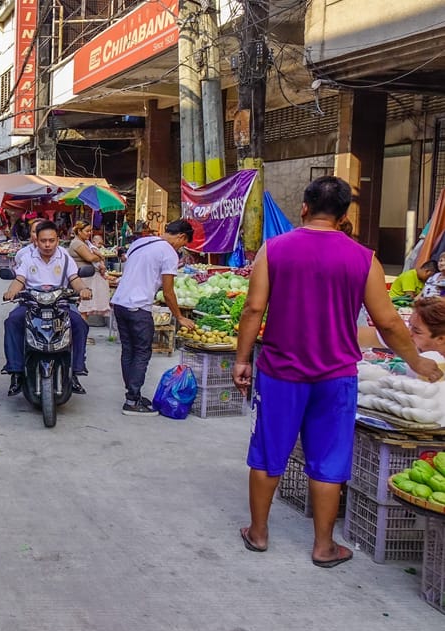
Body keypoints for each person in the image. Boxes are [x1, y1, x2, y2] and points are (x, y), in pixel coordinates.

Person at [233, 175, 443, 568]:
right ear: (345, 215)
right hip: (336, 375)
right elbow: (388, 322)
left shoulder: (273, 250)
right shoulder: (364, 258)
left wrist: (243, 359)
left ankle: (258, 534)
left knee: (267, 453)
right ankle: (324, 547)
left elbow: (252, 309)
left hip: (281, 372)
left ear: (304, 208)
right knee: (328, 459)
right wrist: (417, 361)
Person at [110, 219, 197, 416]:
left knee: (128, 350)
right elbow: (168, 292)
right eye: (183, 243)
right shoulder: (168, 253)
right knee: (141, 352)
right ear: (182, 237)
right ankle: (132, 401)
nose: (181, 247)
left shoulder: (141, 242)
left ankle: (132, 394)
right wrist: (179, 317)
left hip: (120, 303)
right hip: (139, 307)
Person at [2, 221, 93, 397]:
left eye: (51, 240)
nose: (47, 245)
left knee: (80, 324)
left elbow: (74, 278)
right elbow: (19, 279)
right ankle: (16, 371)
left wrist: (83, 290)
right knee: (12, 321)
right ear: (36, 240)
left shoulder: (65, 257)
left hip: (61, 304)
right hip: (32, 305)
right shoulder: (28, 258)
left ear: (58, 240)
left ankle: (76, 371)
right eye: (43, 241)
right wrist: (11, 292)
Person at [69, 222, 111, 322]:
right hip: (83, 279)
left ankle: (83, 334)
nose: (89, 233)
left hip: (88, 278)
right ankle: (81, 334)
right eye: (87, 231)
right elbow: (90, 257)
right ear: (79, 231)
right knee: (83, 309)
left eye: (90, 231)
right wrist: (100, 256)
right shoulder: (77, 243)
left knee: (85, 310)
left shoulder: (85, 243)